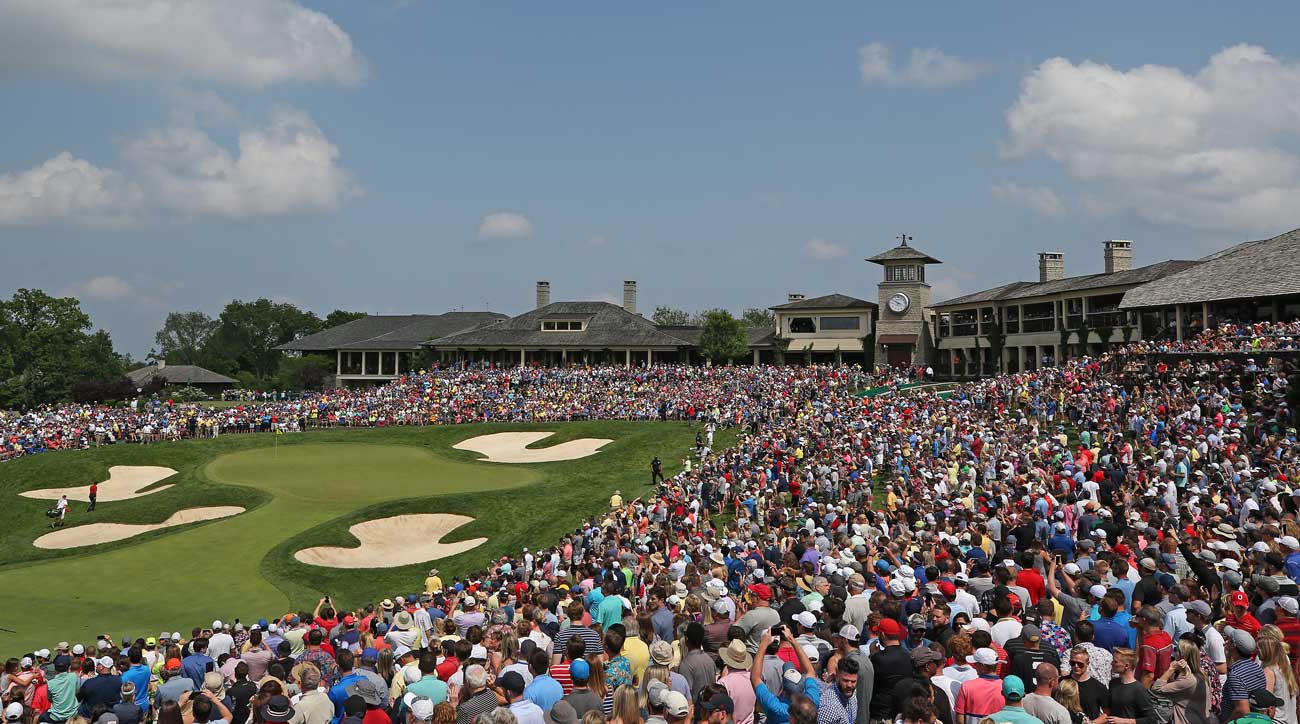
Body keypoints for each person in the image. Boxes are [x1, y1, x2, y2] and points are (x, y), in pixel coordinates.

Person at [1150, 638, 1211, 724]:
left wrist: (1171, 669)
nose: (1174, 653)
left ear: (1183, 656)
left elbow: (1156, 689)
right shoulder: (1201, 675)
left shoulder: (1188, 681)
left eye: (1176, 650)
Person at [955, 649, 1005, 724]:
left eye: (975, 664)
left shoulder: (966, 686)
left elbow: (960, 719)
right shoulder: (1005, 687)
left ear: (982, 666)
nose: (974, 667)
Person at [1107, 649, 1155, 724]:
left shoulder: (1139, 690)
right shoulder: (1113, 683)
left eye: (1115, 662)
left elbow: (1151, 719)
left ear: (1127, 666)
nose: (1111, 663)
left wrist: (1123, 721)